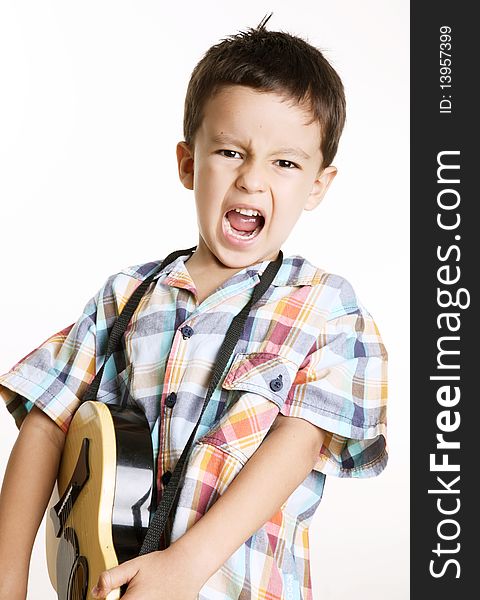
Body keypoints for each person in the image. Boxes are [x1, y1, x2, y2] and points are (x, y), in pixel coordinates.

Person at [0, 13, 388, 600]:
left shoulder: (325, 308)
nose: (254, 181)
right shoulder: (124, 298)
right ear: (188, 162)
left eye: (285, 162)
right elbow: (45, 422)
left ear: (317, 185)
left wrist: (185, 565)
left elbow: (300, 442)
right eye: (232, 152)